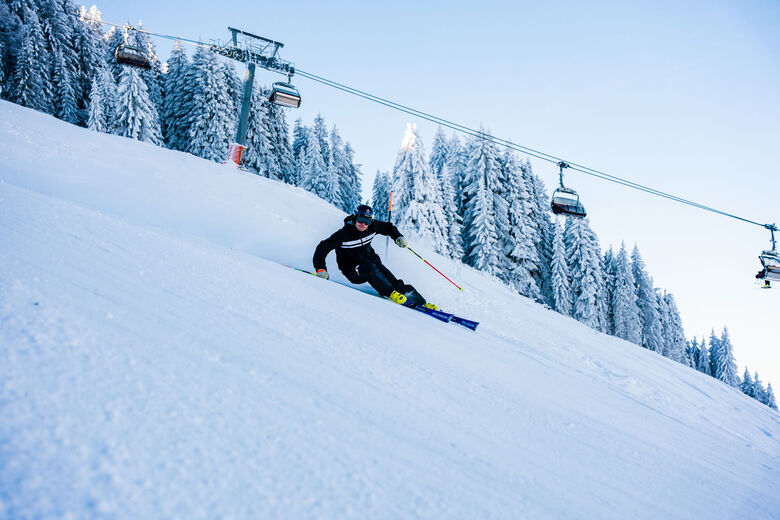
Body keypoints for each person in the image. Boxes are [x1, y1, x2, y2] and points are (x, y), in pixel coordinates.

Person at [313, 204, 438, 309]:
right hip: (353, 270)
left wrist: (398, 237)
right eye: (361, 220)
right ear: (355, 218)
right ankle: (390, 293)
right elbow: (322, 248)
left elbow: (388, 227)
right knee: (367, 269)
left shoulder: (372, 226)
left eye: (367, 221)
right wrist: (321, 269)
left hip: (373, 261)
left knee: (397, 284)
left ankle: (422, 303)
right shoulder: (343, 235)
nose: (363, 224)